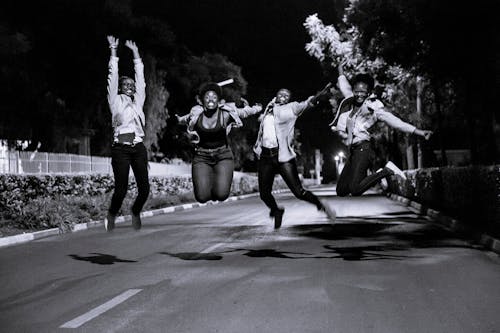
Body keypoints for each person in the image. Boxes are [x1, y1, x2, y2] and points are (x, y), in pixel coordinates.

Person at [330, 64, 433, 197]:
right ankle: (379, 174)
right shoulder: (350, 99)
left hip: (364, 149)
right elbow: (344, 84)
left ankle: (386, 170)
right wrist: (340, 69)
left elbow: (396, 122)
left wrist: (418, 131)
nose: (359, 94)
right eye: (357, 91)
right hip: (352, 152)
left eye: (363, 92)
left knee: (355, 190)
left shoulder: (374, 108)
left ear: (368, 92)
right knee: (341, 190)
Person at [254, 85, 333, 229]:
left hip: (283, 156)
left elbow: (304, 105)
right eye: (281, 94)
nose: (283, 96)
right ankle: (277, 211)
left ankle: (320, 204)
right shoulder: (269, 109)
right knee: (264, 194)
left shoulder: (292, 107)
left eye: (286, 95)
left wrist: (314, 99)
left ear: (289, 99)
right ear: (276, 95)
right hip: (266, 156)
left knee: (299, 192)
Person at [177, 82, 262, 203]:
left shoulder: (226, 114)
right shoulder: (196, 114)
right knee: (202, 198)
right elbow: (185, 119)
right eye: (207, 97)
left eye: (214, 97)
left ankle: (217, 182)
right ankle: (208, 181)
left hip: (223, 156)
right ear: (202, 101)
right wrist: (179, 119)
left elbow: (244, 113)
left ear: (220, 101)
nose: (211, 100)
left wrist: (256, 108)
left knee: (221, 195)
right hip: (201, 157)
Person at [105, 35, 149, 231]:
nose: (131, 87)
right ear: (121, 89)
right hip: (120, 149)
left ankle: (136, 211)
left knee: (145, 188)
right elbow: (112, 77)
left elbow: (141, 79)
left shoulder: (138, 101)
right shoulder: (115, 101)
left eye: (132, 85)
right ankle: (112, 214)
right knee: (121, 190)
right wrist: (113, 52)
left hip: (138, 147)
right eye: (126, 85)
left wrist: (136, 53)